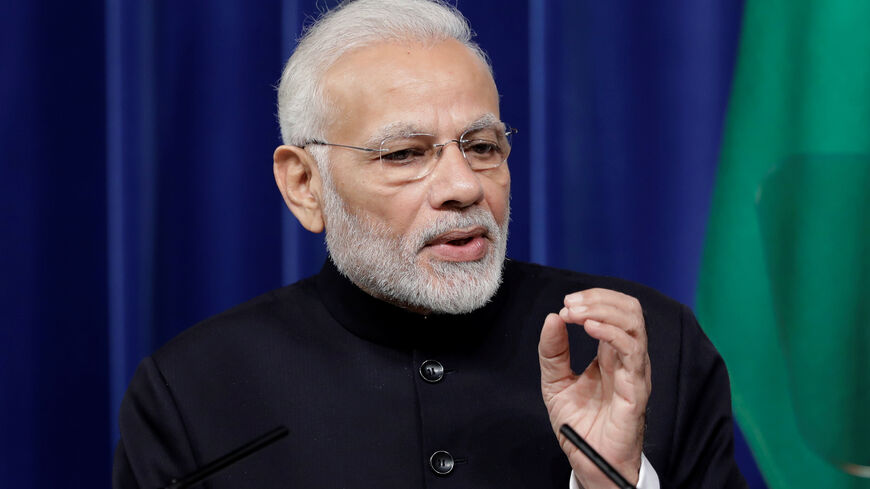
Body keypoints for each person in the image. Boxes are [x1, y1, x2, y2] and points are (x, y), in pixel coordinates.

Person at [113, 1, 747, 488]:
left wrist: (611, 478)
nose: (462, 186)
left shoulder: (647, 348)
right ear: (304, 185)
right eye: (405, 154)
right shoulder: (192, 389)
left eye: (482, 146)